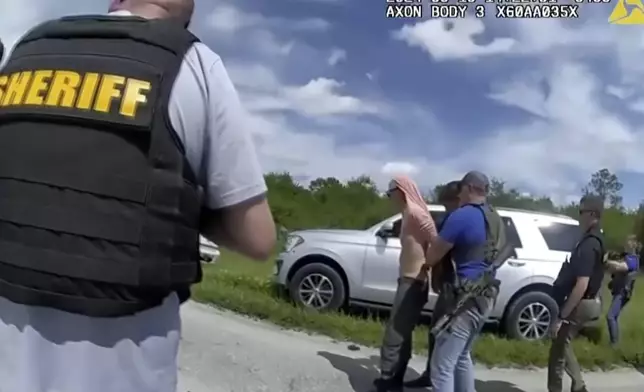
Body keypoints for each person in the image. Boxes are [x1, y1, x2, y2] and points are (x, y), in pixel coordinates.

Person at [0, 1, 276, 392]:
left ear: (116, 1)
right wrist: (184, 205)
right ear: (187, 16)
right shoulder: (194, 61)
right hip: (127, 372)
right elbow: (258, 238)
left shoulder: (27, 49)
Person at [421, 171, 506, 392]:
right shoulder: (494, 217)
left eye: (460, 190)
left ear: (468, 188)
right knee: (461, 357)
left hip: (465, 300)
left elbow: (432, 256)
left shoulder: (462, 215)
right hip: (486, 297)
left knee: (442, 367)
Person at [372, 175, 437, 392]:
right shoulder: (408, 214)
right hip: (408, 280)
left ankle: (388, 381)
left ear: (400, 191)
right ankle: (395, 380)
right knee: (403, 333)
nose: (389, 197)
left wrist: (427, 266)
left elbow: (436, 241)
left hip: (413, 282)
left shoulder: (417, 214)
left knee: (394, 333)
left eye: (391, 193)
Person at [404, 180, 461, 389]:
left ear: (457, 199)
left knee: (441, 332)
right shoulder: (457, 218)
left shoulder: (457, 219)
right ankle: (438, 375)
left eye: (448, 203)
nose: (446, 208)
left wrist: (428, 265)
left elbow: (442, 250)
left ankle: (437, 377)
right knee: (446, 334)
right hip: (450, 282)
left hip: (453, 285)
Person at [547, 195, 605, 392]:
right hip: (591, 300)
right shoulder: (596, 239)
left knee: (558, 346)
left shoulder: (589, 244)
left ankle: (567, 388)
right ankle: (578, 385)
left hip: (583, 302)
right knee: (562, 343)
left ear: (592, 214)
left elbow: (582, 283)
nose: (579, 216)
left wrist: (562, 316)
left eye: (581, 212)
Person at [604, 235, 640, 346]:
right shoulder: (625, 257)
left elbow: (623, 267)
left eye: (628, 242)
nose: (626, 244)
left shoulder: (633, 259)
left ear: (633, 245)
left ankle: (614, 344)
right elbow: (614, 270)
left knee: (610, 316)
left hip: (623, 292)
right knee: (613, 316)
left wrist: (608, 261)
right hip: (619, 291)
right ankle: (614, 342)